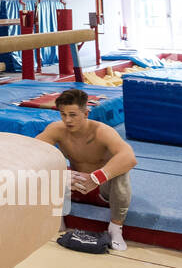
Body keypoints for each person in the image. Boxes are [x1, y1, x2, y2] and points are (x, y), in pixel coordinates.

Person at [36, 88, 136, 251]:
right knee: (48, 165)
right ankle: (57, 219)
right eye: (63, 114)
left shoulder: (102, 132)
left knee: (121, 171)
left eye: (73, 115)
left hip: (101, 189)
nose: (67, 120)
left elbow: (130, 157)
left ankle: (115, 229)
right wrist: (60, 173)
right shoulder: (57, 129)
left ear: (86, 113)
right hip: (75, 186)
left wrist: (96, 178)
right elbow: (31, 150)